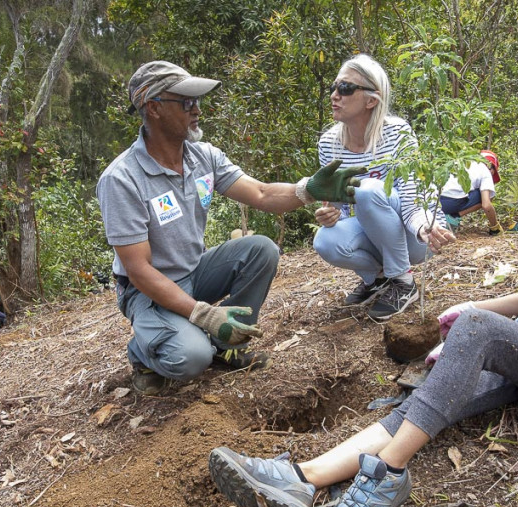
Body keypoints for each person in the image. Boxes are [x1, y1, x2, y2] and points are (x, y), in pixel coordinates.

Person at [209, 123, 518, 507]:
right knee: (432, 397)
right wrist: (465, 313)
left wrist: (468, 340)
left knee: (464, 351)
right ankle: (305, 476)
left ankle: (388, 475)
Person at [97, 61, 412, 395]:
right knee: (190, 358)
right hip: (147, 290)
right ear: (154, 108)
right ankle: (143, 353)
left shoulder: (202, 157)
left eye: (198, 101)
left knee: (260, 249)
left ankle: (227, 346)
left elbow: (261, 193)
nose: (197, 110)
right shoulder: (122, 179)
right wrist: (204, 315)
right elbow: (139, 270)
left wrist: (308, 190)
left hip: (192, 272)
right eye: (186, 102)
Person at [311, 55, 454, 320]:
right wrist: (330, 217)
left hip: (414, 237)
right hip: (378, 233)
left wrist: (425, 227)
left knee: (368, 189)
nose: (334, 95)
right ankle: (377, 280)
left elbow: (412, 195)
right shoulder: (329, 143)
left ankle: (403, 282)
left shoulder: (397, 133)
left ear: (371, 100)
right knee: (325, 241)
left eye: (345, 88)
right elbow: (340, 209)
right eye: (334, 87)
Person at [439, 150, 503, 235]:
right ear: (492, 168)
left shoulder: (463, 162)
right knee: (485, 196)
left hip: (436, 202)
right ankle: (454, 217)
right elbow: (486, 205)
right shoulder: (486, 171)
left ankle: (450, 217)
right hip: (450, 204)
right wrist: (495, 227)